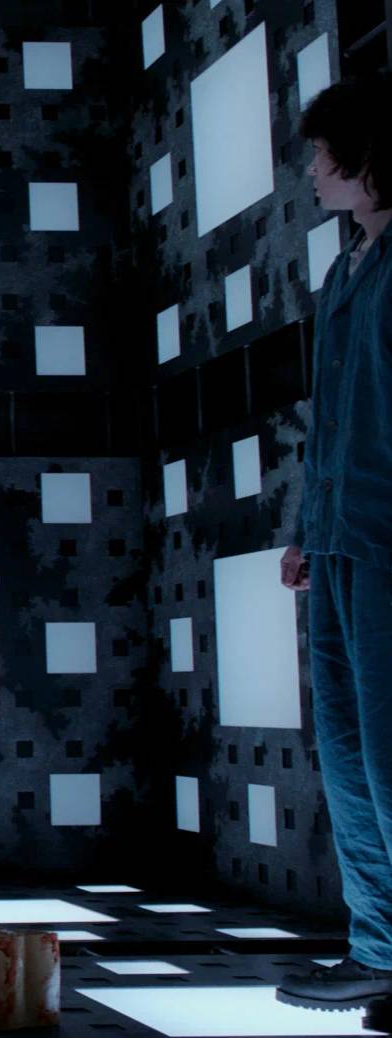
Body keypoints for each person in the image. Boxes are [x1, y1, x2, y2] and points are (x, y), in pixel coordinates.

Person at [276, 71, 392, 1013]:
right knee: (347, 754)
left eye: (324, 154)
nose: (313, 170)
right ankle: (378, 947)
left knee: (386, 756)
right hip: (338, 539)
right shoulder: (345, 269)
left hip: (386, 541)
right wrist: (305, 531)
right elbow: (332, 419)